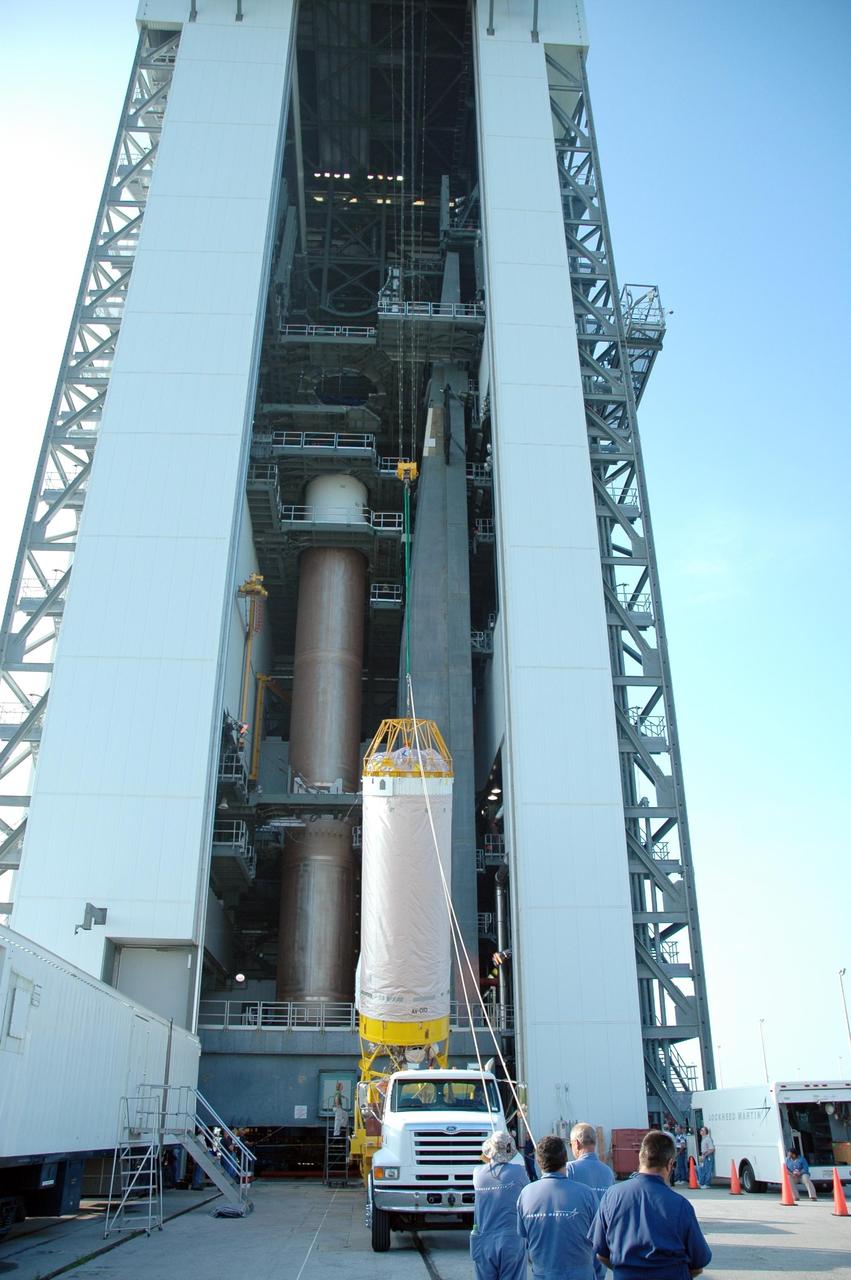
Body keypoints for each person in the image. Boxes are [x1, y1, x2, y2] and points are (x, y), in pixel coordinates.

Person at [590, 1130, 711, 1280]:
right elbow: (699, 1263)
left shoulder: (611, 1196)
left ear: (640, 1159)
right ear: (670, 1164)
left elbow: (601, 1252)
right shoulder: (680, 1205)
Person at [517, 1135, 597, 1279]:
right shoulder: (587, 1194)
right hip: (581, 1274)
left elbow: (524, 1237)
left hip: (543, 1273)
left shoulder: (526, 1194)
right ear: (565, 1158)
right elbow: (599, 1238)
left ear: (538, 1161)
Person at [470, 1131, 529, 1280]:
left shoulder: (478, 1174)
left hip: (483, 1238)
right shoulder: (519, 1172)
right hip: (511, 1239)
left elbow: (486, 1163)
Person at [565, 1123, 615, 1280]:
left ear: (577, 1144)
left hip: (577, 1243)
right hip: (601, 1241)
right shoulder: (607, 1172)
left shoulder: (570, 1169)